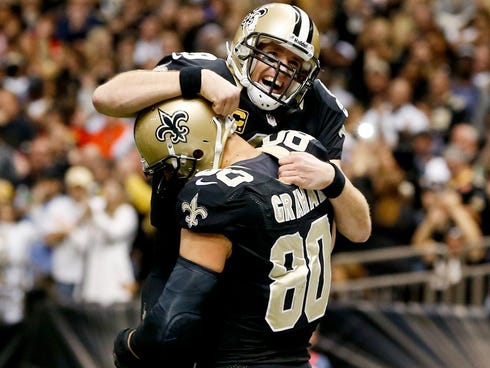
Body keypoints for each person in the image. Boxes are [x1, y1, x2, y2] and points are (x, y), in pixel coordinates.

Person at [92, 2, 371, 322]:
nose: (280, 70)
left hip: (260, 284)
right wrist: (193, 82)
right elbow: (106, 98)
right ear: (246, 45)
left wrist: (332, 179)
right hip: (182, 256)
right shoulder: (208, 72)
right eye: (273, 54)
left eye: (294, 63)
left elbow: (352, 230)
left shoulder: (319, 108)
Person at [113, 97, 367, 367]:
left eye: (170, 167)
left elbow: (170, 325)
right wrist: (335, 178)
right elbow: (360, 231)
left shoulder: (216, 193)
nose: (170, 178)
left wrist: (128, 344)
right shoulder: (302, 157)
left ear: (197, 147)